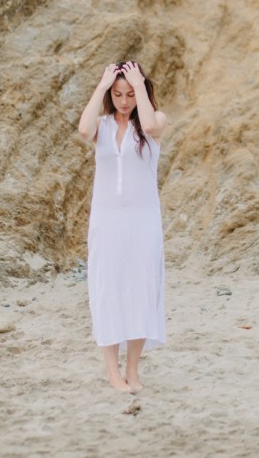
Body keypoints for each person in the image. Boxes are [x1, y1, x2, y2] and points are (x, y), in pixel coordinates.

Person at [77, 60, 168, 393]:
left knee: (141, 290)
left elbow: (148, 120)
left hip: (143, 222)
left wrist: (139, 84)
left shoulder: (154, 122)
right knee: (108, 290)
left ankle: (133, 370)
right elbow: (83, 130)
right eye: (119, 94)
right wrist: (101, 86)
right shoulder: (101, 125)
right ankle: (112, 372)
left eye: (130, 93)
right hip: (107, 222)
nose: (124, 101)